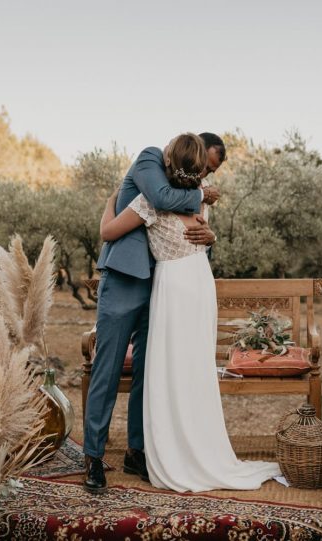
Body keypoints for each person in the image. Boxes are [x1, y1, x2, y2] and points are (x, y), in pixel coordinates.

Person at [99, 133, 280, 492]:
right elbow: (197, 230)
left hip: (173, 287)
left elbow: (108, 231)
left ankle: (171, 451)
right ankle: (194, 448)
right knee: (192, 369)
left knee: (167, 370)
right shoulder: (202, 204)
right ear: (198, 171)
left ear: (167, 161)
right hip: (199, 284)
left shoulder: (148, 203)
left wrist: (111, 200)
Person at [82, 133, 222, 494]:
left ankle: (138, 451)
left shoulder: (189, 191)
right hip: (126, 280)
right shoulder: (150, 159)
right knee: (108, 368)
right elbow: (157, 200)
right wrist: (201, 195)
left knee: (149, 372)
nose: (204, 176)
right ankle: (93, 456)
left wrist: (210, 235)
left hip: (163, 286)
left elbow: (187, 231)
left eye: (208, 173)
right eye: (204, 168)